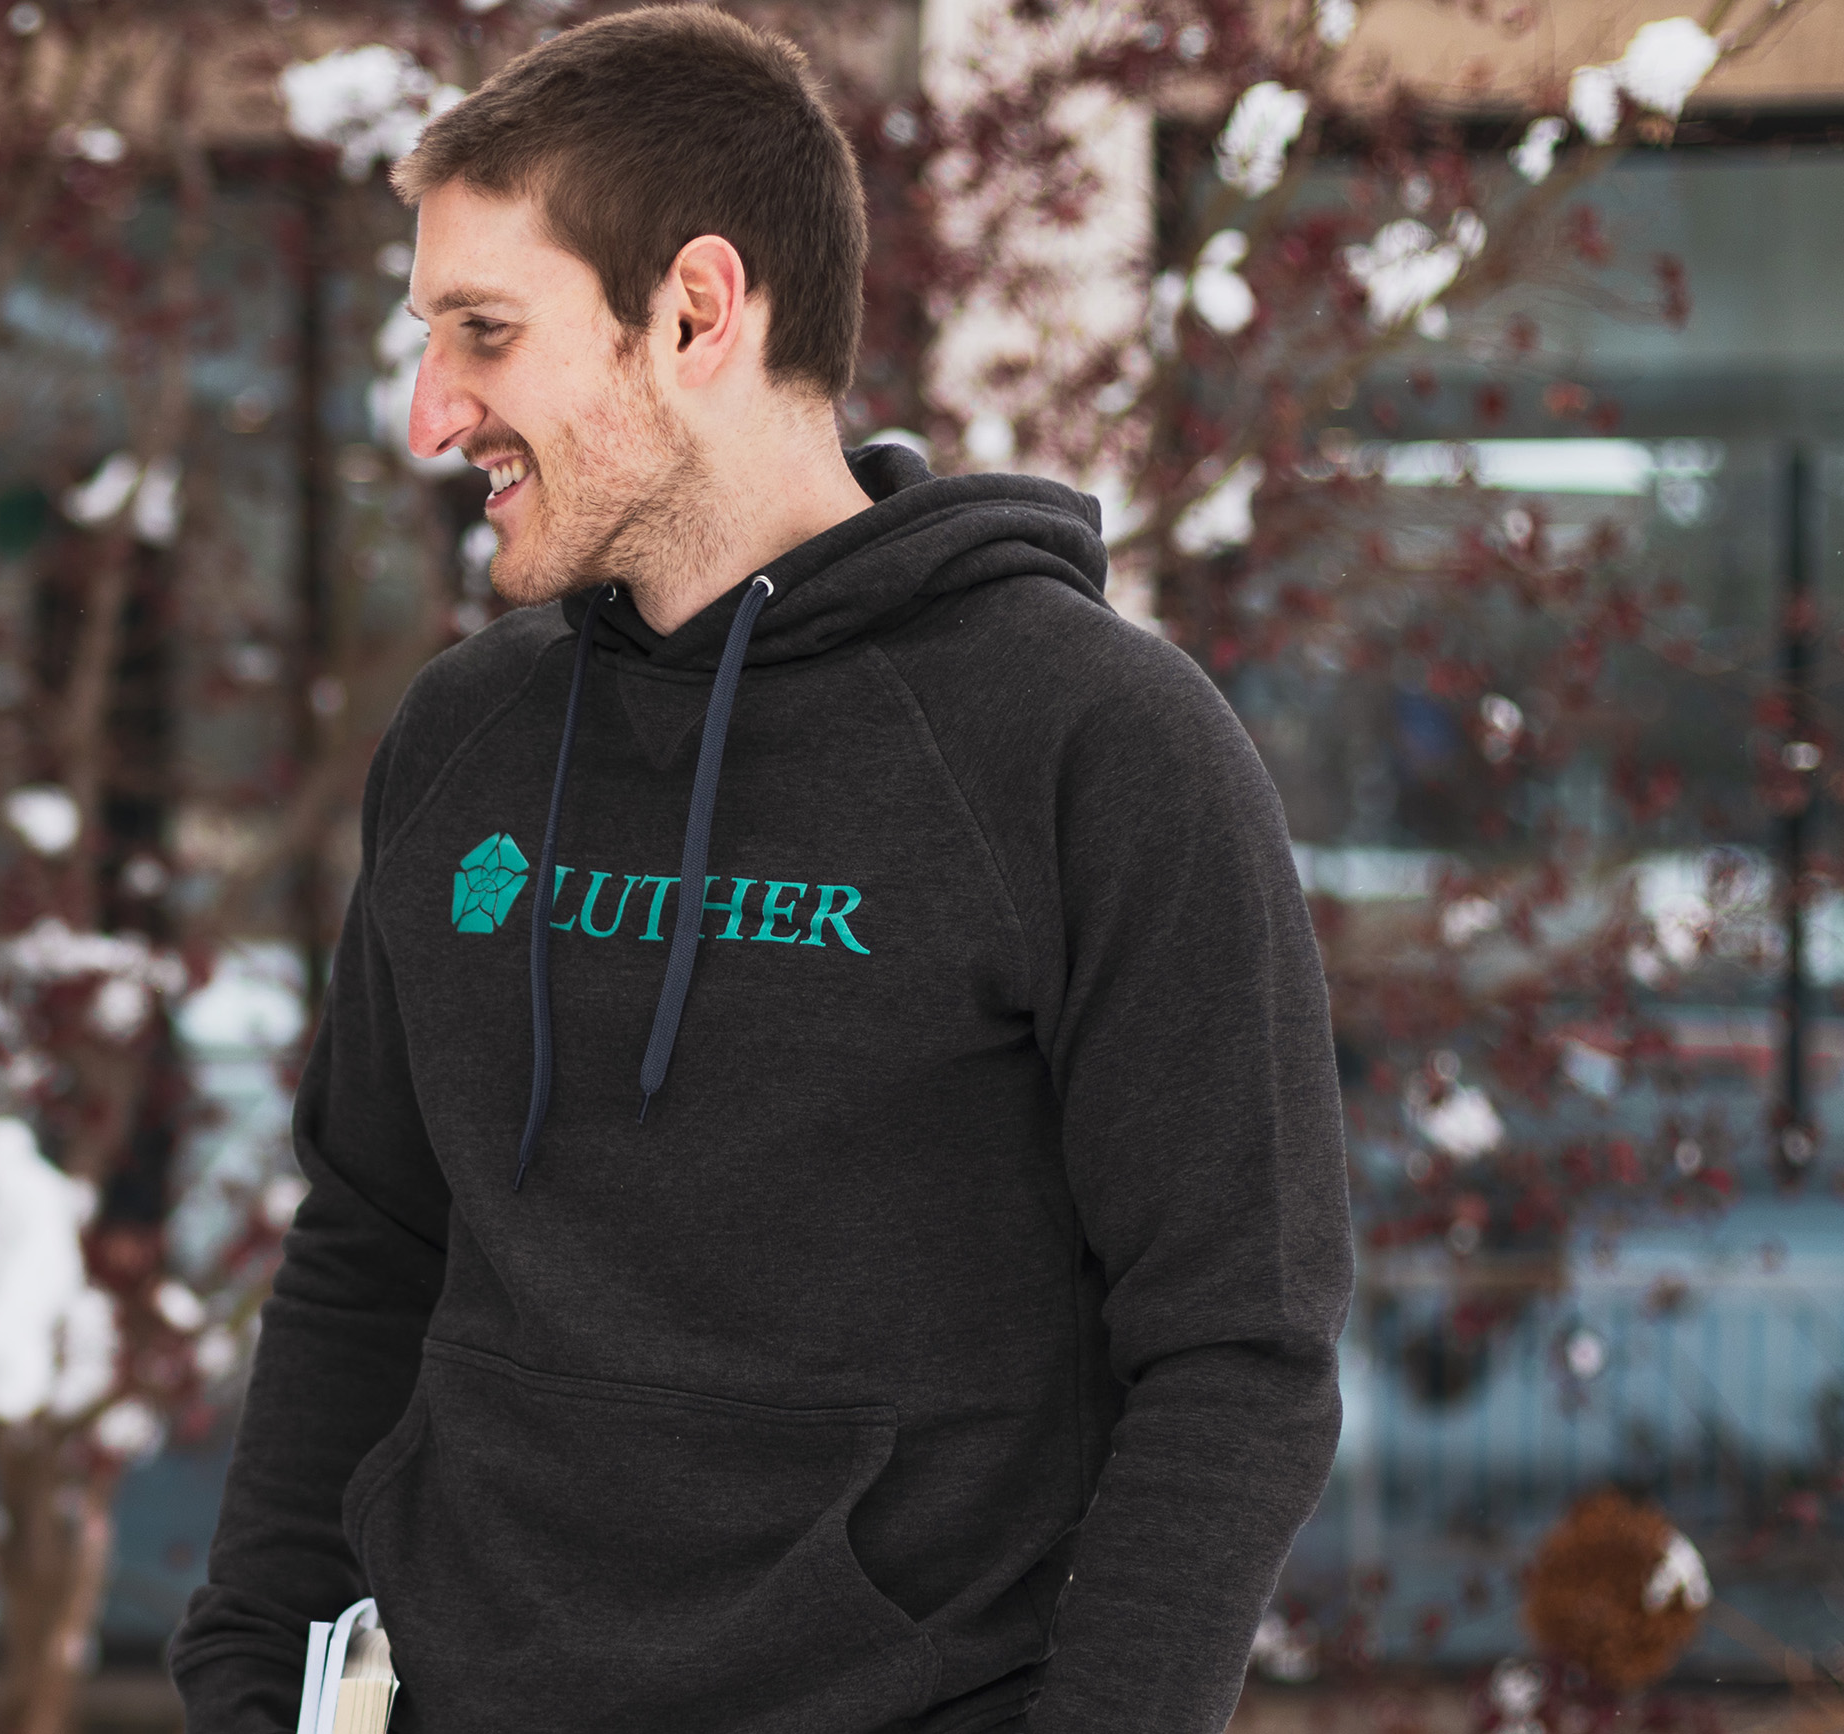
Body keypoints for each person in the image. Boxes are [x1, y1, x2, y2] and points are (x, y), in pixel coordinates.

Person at [166, 10, 1350, 1733]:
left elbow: (1239, 1346)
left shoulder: (1091, 743)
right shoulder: (467, 739)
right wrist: (249, 1677)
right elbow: (371, 1241)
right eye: (431, 338)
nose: (435, 412)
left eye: (485, 332)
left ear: (698, 312)